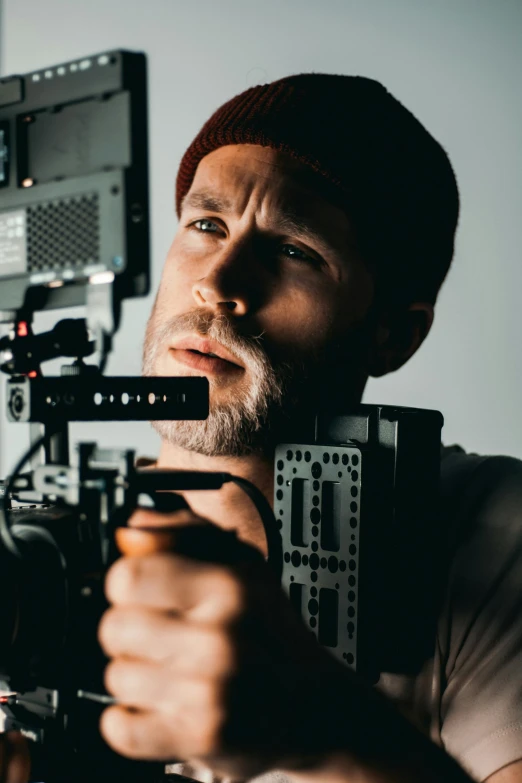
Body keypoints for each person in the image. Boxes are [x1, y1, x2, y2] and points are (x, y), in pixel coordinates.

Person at [7, 74, 522, 783]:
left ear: (393, 336)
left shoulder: (493, 528)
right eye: (206, 225)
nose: (218, 284)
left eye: (294, 250)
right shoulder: (42, 563)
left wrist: (324, 732)